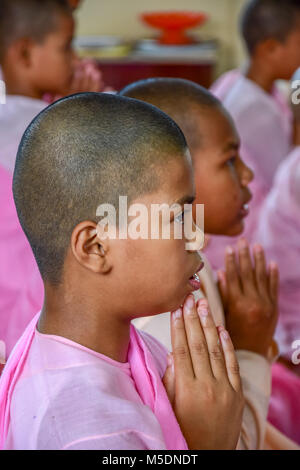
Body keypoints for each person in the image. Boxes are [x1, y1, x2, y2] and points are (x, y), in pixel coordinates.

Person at [0, 92, 245, 450]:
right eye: (178, 216)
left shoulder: (125, 348)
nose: (198, 235)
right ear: (95, 247)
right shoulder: (82, 429)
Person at [119, 77, 299, 450]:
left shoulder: (192, 266)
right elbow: (220, 443)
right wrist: (249, 347)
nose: (247, 176)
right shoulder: (162, 304)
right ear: (172, 173)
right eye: (230, 160)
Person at [207, 0, 300, 270]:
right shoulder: (254, 111)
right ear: (270, 48)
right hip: (251, 236)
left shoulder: (238, 80)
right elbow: (285, 186)